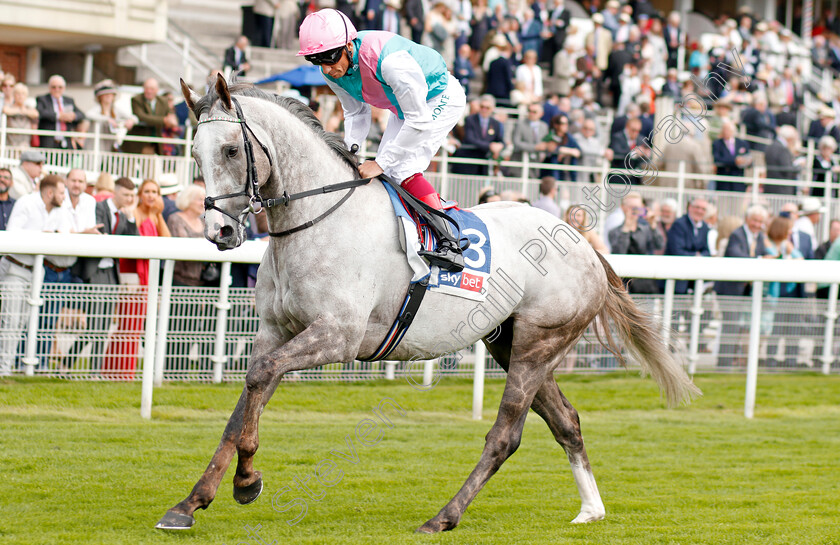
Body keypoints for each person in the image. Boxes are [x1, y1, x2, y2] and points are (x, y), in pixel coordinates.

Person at [298, 8, 468, 270]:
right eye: (317, 61)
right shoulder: (330, 72)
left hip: (438, 99)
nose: (328, 69)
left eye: (330, 58)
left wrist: (380, 162)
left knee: (402, 167)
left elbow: (419, 120)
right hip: (403, 108)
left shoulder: (391, 63)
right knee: (389, 170)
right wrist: (350, 151)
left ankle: (449, 240)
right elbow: (355, 111)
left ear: (348, 45)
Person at [0, 175, 71, 375]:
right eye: (60, 192)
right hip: (15, 268)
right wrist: (43, 235)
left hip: (37, 271)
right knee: (10, 321)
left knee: (22, 322)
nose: (63, 197)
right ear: (50, 193)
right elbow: (12, 234)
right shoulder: (27, 203)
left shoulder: (59, 209)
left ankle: (9, 367)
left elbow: (64, 234)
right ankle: (3, 370)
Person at [102, 179, 171, 380]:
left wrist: (158, 212)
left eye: (155, 192)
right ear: (140, 194)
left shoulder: (155, 215)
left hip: (148, 276)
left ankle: (118, 370)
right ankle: (122, 371)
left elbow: (167, 240)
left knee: (136, 326)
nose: (151, 195)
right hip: (132, 274)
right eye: (147, 191)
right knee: (128, 325)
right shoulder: (135, 213)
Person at [714, 204, 768, 367]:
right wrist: (760, 260)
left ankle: (732, 359)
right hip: (730, 290)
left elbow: (764, 253)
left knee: (738, 326)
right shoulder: (737, 234)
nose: (757, 225)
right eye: (754, 221)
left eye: (760, 222)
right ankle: (724, 362)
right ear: (747, 219)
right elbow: (736, 255)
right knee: (730, 326)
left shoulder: (759, 236)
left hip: (745, 290)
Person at [608, 192, 664, 294]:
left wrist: (653, 225)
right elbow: (619, 252)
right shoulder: (614, 232)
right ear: (623, 208)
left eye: (637, 207)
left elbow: (659, 245)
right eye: (631, 207)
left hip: (645, 283)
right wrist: (626, 228)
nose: (634, 210)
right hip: (623, 284)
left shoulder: (646, 229)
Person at [665, 198, 711, 294]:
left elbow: (706, 251)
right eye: (697, 207)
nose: (699, 211)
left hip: (694, 278)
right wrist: (696, 256)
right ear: (690, 207)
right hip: (677, 278)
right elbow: (677, 251)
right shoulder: (679, 224)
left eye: (703, 209)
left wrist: (698, 256)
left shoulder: (705, 227)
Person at [124, 78, 177, 155]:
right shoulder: (136, 99)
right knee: (128, 166)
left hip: (153, 143)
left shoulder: (163, 101)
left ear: (157, 90)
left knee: (149, 166)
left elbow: (171, 116)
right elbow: (142, 116)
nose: (149, 91)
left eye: (152, 89)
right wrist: (164, 120)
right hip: (137, 142)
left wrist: (172, 120)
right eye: (146, 88)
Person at [84, 80, 138, 152]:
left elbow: (134, 117)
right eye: (105, 94)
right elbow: (88, 114)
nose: (108, 96)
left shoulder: (116, 110)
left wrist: (131, 121)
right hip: (95, 145)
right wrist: (107, 119)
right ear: (100, 97)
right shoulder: (97, 109)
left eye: (111, 94)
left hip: (110, 145)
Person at [35, 75, 86, 150]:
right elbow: (41, 112)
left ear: (64, 88)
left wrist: (73, 116)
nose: (57, 89)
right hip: (49, 142)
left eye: (60, 87)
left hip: (66, 142)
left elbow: (81, 114)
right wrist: (58, 116)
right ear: (49, 88)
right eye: (54, 87)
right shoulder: (42, 99)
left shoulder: (69, 100)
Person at [511, 102, 549, 179]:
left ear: (541, 114)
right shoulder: (520, 124)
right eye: (529, 111)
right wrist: (535, 147)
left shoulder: (544, 126)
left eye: (534, 112)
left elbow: (546, 143)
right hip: (520, 162)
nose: (531, 114)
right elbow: (516, 142)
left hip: (536, 163)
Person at [712, 120, 752, 192]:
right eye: (724, 129)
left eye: (728, 130)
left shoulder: (742, 143)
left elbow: (749, 160)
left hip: (738, 183)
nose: (726, 132)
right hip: (723, 183)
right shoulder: (717, 143)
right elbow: (717, 160)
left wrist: (745, 161)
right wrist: (735, 161)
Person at [2, 83, 38, 148]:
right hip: (11, 144)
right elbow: (5, 110)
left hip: (25, 144)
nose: (20, 96)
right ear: (14, 95)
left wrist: (24, 111)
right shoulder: (9, 106)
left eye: (23, 94)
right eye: (18, 94)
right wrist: (20, 110)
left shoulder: (28, 108)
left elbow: (36, 114)